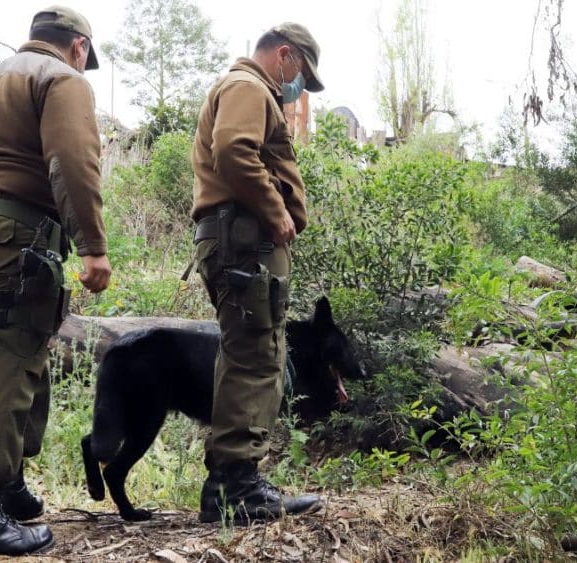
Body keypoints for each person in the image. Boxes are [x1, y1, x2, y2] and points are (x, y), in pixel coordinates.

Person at [0, 6, 111, 557]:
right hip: (15, 237)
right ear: (78, 47)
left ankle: (9, 484)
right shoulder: (63, 79)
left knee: (24, 352)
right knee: (5, 368)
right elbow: (73, 163)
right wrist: (94, 248)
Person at [190, 23, 325, 524]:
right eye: (302, 76)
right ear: (285, 56)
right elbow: (234, 151)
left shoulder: (246, 88)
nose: (299, 89)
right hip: (244, 238)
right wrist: (275, 209)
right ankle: (234, 487)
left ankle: (234, 480)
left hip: (240, 240)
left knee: (252, 350)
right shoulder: (248, 86)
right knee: (255, 355)